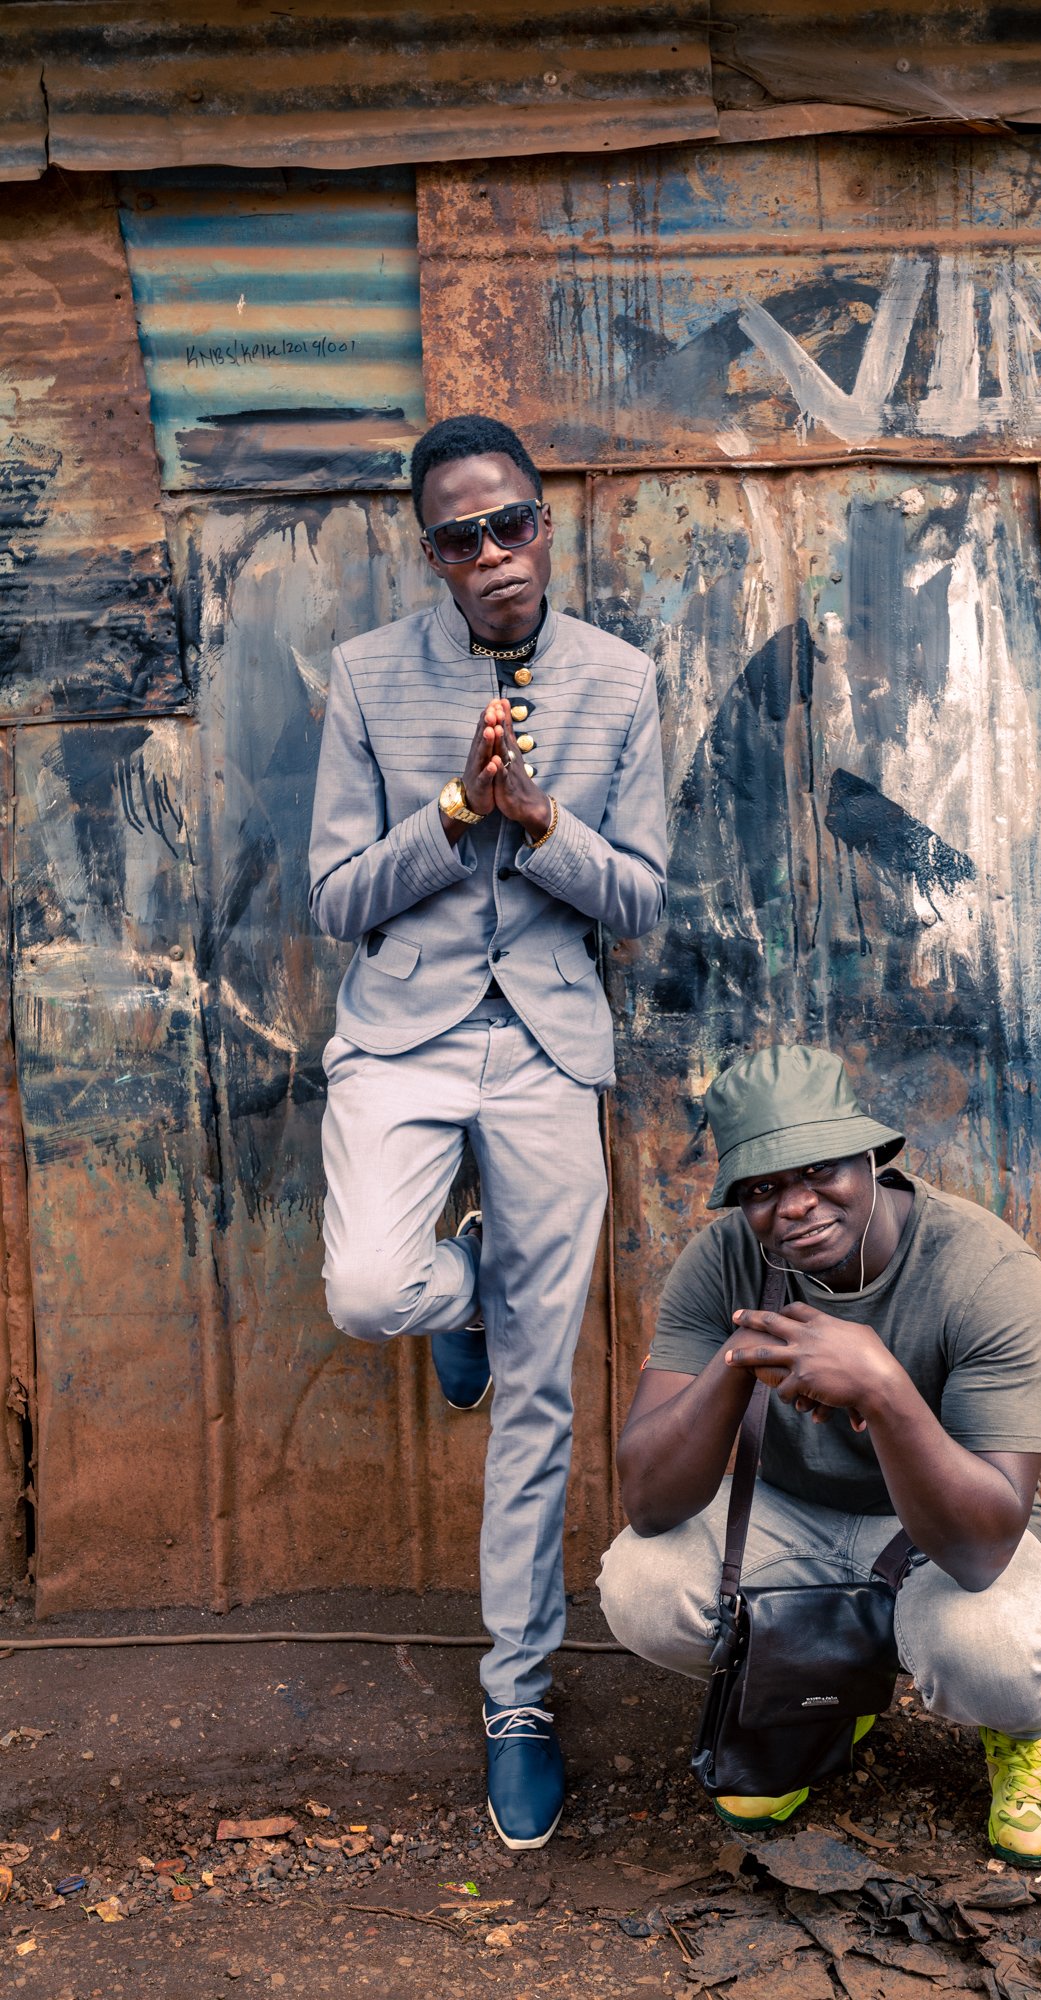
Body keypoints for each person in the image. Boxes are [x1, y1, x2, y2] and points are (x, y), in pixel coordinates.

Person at [309, 412, 667, 1850]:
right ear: (430, 552)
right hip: (399, 1035)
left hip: (545, 1053)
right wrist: (453, 813)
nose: (491, 553)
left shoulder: (619, 683)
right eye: (460, 536)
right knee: (367, 1290)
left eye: (510, 522)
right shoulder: (365, 678)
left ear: (542, 520)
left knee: (539, 1391)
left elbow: (637, 898)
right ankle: (455, 1290)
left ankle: (515, 1694)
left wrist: (543, 822)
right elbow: (336, 897)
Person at [599, 1044, 1041, 1869]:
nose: (794, 1205)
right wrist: (739, 1356)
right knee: (640, 1586)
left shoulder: (983, 1268)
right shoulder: (722, 1262)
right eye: (761, 1189)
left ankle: (1022, 1733)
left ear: (871, 1156)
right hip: (790, 1515)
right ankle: (821, 1694)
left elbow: (981, 1545)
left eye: (819, 1170)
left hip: (939, 1528)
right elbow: (648, 1498)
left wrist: (884, 1389)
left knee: (988, 1650)